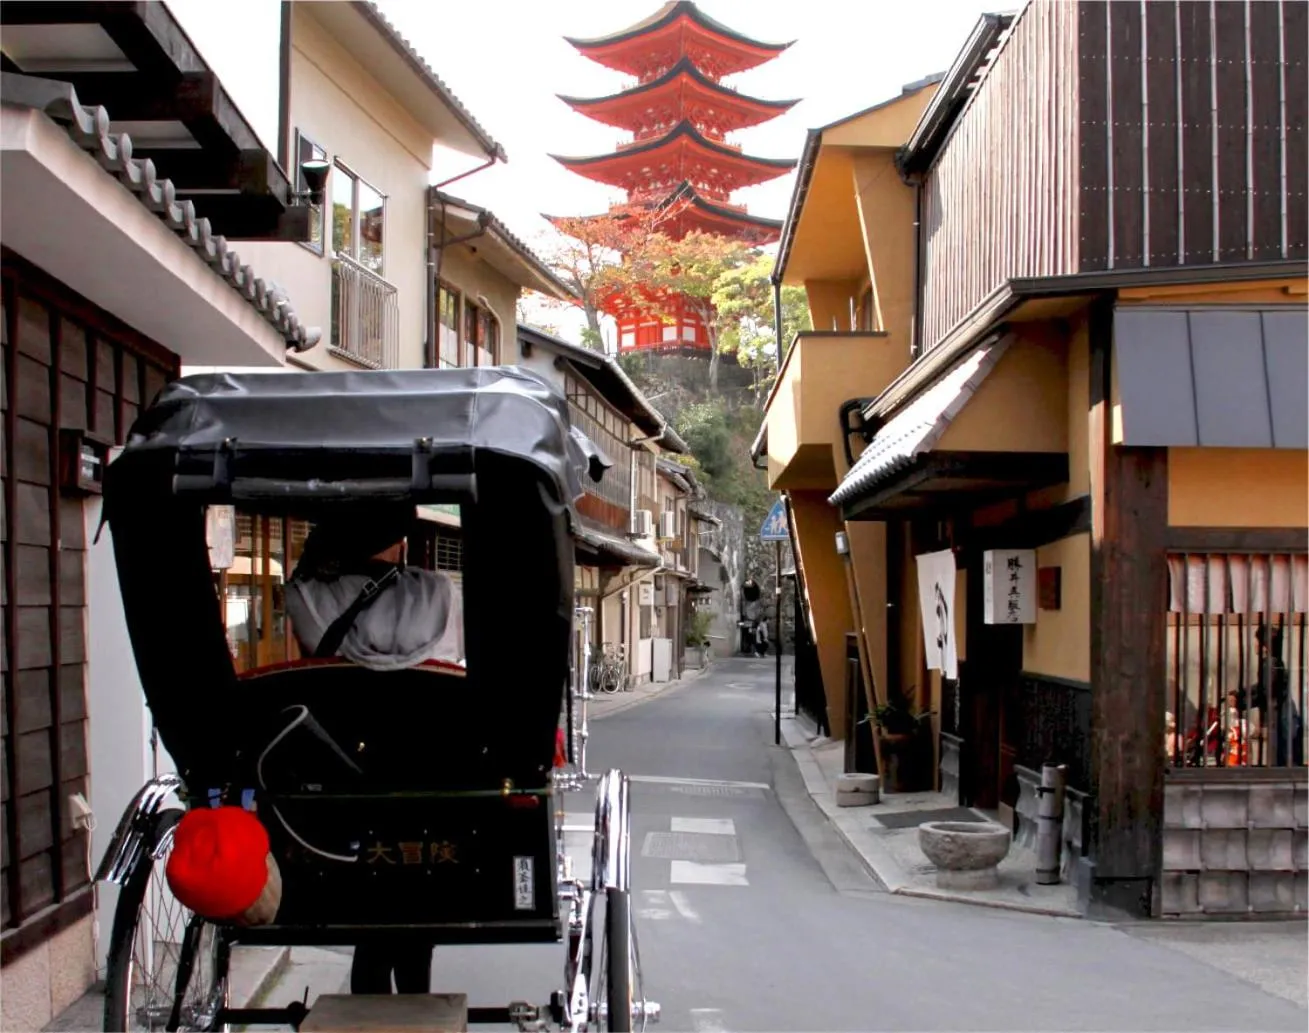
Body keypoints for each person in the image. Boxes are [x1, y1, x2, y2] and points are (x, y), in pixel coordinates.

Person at [284, 502, 461, 995]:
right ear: (398, 539)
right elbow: (450, 667)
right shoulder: (438, 592)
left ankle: (372, 990)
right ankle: (414, 993)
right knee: (414, 887)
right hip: (429, 767)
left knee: (370, 907)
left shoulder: (304, 595)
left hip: (343, 768)